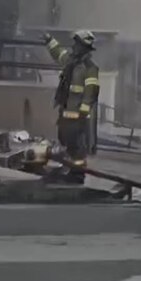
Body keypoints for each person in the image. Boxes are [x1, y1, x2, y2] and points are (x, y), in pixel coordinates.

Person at [43, 30, 100, 184]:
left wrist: (83, 114)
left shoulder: (90, 68)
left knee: (77, 148)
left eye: (77, 44)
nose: (74, 46)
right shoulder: (71, 62)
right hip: (66, 113)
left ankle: (78, 174)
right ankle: (69, 170)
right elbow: (59, 53)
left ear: (83, 47)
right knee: (67, 144)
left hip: (77, 117)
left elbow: (91, 92)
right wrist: (49, 40)